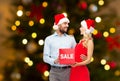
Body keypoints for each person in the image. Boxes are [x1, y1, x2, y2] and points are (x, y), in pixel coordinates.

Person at [43, 13, 76, 81]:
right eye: (65, 23)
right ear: (58, 24)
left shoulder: (71, 39)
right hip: (54, 72)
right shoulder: (48, 39)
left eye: (67, 24)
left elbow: (76, 53)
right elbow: (45, 57)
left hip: (68, 71)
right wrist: (54, 61)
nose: (67, 25)